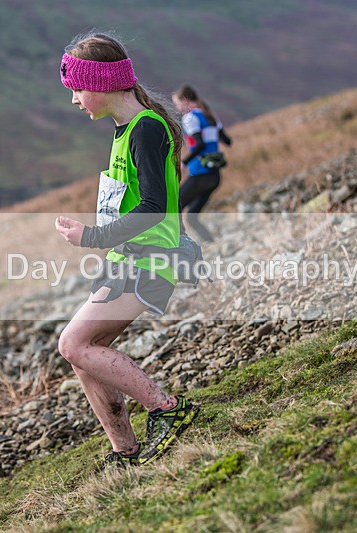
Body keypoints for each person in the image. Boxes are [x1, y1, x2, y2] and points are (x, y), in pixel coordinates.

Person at [54, 32, 200, 468]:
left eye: (77, 89)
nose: (75, 100)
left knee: (74, 343)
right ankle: (125, 451)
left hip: (152, 259)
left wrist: (92, 237)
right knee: (84, 354)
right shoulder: (126, 130)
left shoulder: (146, 129)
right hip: (129, 259)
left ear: (99, 83)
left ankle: (167, 409)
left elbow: (155, 208)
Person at [172, 85, 232, 242]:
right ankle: (212, 244)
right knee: (192, 216)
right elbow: (227, 141)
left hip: (200, 174)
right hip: (214, 176)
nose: (177, 108)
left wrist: (184, 162)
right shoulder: (210, 115)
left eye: (178, 104)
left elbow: (199, 145)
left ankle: (177, 246)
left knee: (173, 207)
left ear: (185, 101)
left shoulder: (190, 118)